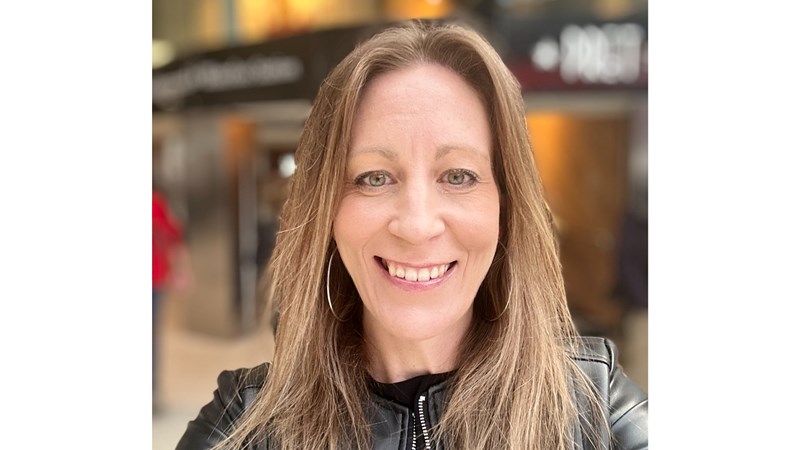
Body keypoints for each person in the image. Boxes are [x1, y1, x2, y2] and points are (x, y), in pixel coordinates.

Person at [177, 20, 647, 450]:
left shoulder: (596, 407)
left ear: (506, 207)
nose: (418, 226)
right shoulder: (244, 425)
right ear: (327, 213)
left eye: (459, 176)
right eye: (374, 177)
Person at [152, 189, 191, 410]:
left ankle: (151, 390)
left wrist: (182, 271)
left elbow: (174, 238)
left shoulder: (155, 204)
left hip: (153, 282)